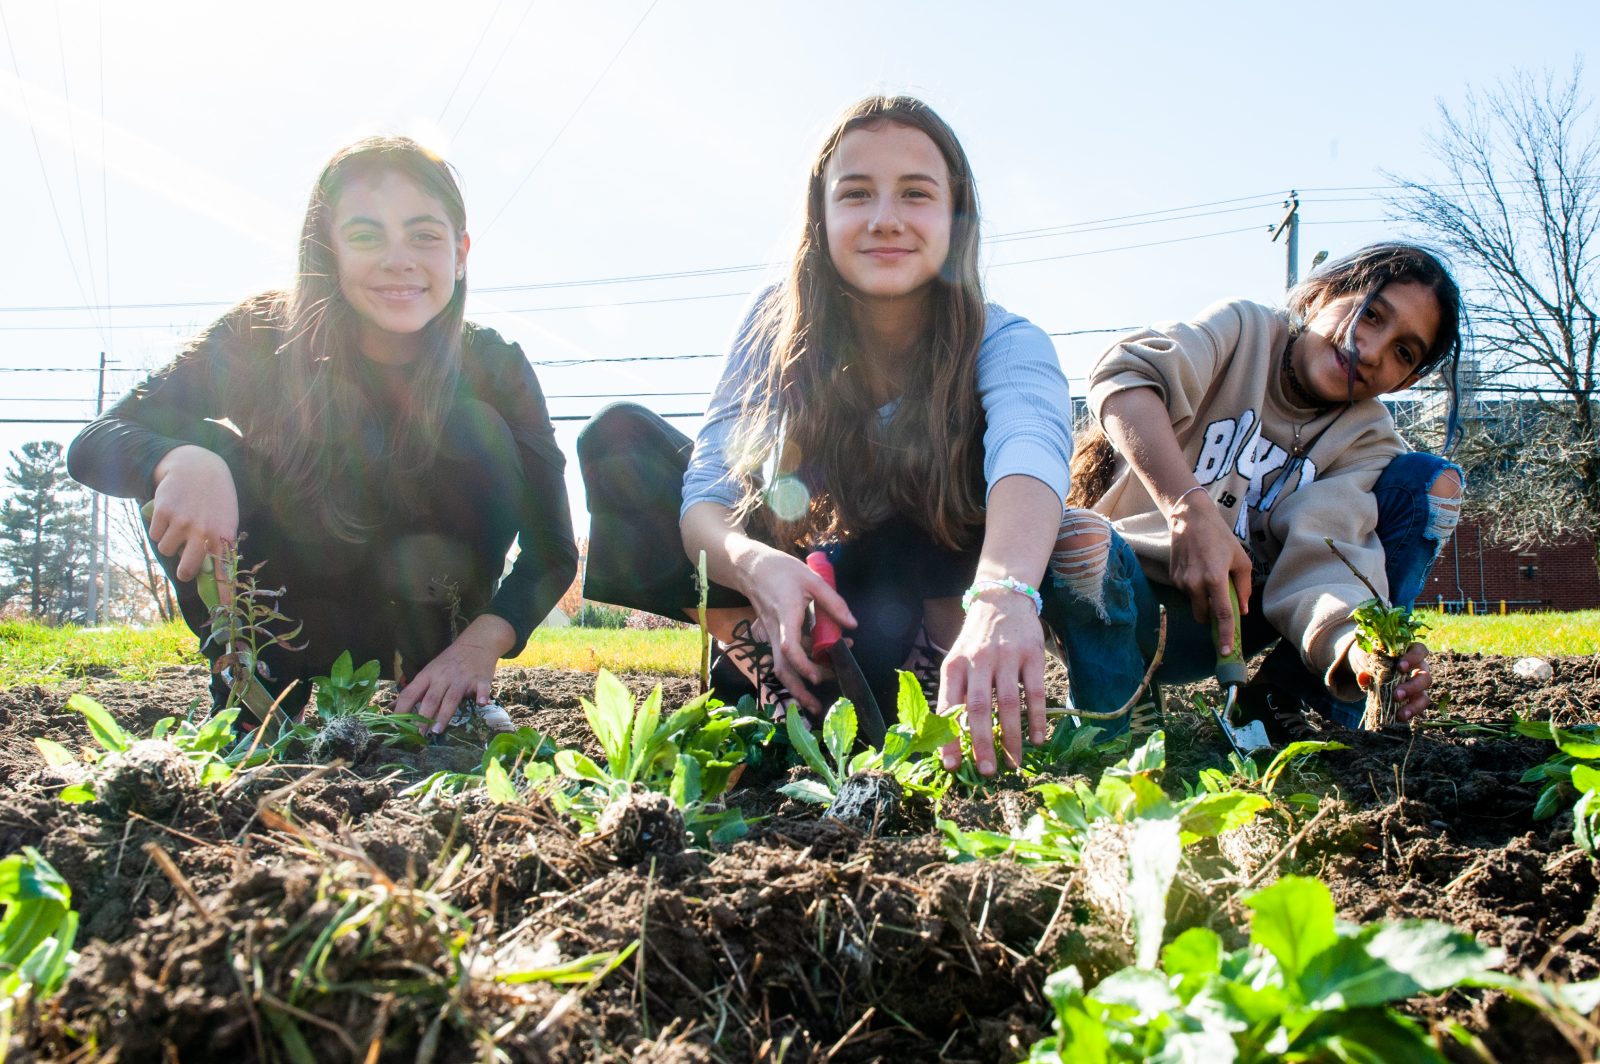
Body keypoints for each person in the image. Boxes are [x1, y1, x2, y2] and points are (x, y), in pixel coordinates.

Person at [578, 95, 1074, 776]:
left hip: (931, 597)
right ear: (822, 214)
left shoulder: (1006, 340)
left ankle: (937, 678)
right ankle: (776, 675)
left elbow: (1030, 451)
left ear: (957, 220)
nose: (885, 219)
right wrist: (758, 568)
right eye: (857, 193)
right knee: (621, 442)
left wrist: (1002, 594)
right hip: (810, 593)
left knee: (1016, 503)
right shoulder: (774, 325)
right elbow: (707, 494)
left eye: (916, 194)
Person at [68, 136, 578, 735]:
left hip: (431, 639)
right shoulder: (261, 337)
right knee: (202, 450)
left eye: (424, 235)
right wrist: (179, 457)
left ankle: (447, 699)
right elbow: (98, 440)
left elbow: (552, 552)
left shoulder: (495, 366)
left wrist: (478, 647)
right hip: (288, 617)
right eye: (366, 236)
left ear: (460, 253)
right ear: (326, 249)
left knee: (475, 428)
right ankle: (253, 684)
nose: (399, 259)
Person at [1048, 242, 1465, 740]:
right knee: (1077, 535)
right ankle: (1115, 713)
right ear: (1322, 294)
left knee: (1425, 483)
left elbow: (1328, 557)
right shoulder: (1243, 333)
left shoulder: (1367, 439)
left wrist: (1358, 644)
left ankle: (1279, 701)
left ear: (1408, 381)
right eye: (1370, 314)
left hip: (1236, 622)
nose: (1370, 350)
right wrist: (1188, 509)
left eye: (1403, 351)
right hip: (1127, 598)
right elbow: (1124, 375)